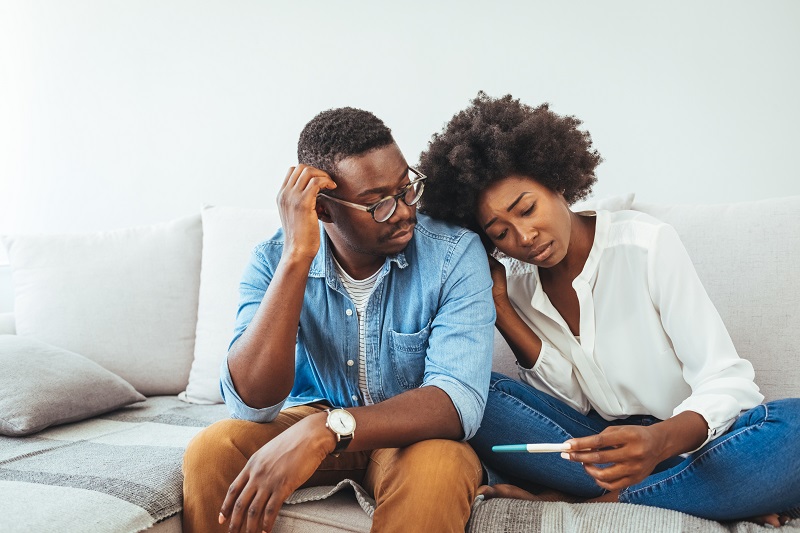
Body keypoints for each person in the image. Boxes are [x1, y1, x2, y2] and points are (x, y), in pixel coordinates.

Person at [418, 92, 800, 527]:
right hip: (594, 451)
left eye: (527, 209)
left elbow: (726, 381)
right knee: (473, 392)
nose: (522, 237)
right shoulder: (520, 284)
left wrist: (657, 442)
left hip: (690, 443)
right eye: (500, 232)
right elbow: (572, 400)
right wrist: (501, 307)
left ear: (556, 182)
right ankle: (704, 492)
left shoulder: (646, 246)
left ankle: (603, 501)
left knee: (796, 428)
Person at [182, 107, 496, 533]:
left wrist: (328, 429)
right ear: (324, 210)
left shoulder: (453, 254)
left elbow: (457, 400)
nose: (403, 211)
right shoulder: (271, 260)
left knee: (441, 465)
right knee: (213, 450)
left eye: (407, 189)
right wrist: (296, 258)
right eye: (377, 203)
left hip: (412, 435)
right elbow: (250, 404)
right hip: (313, 417)